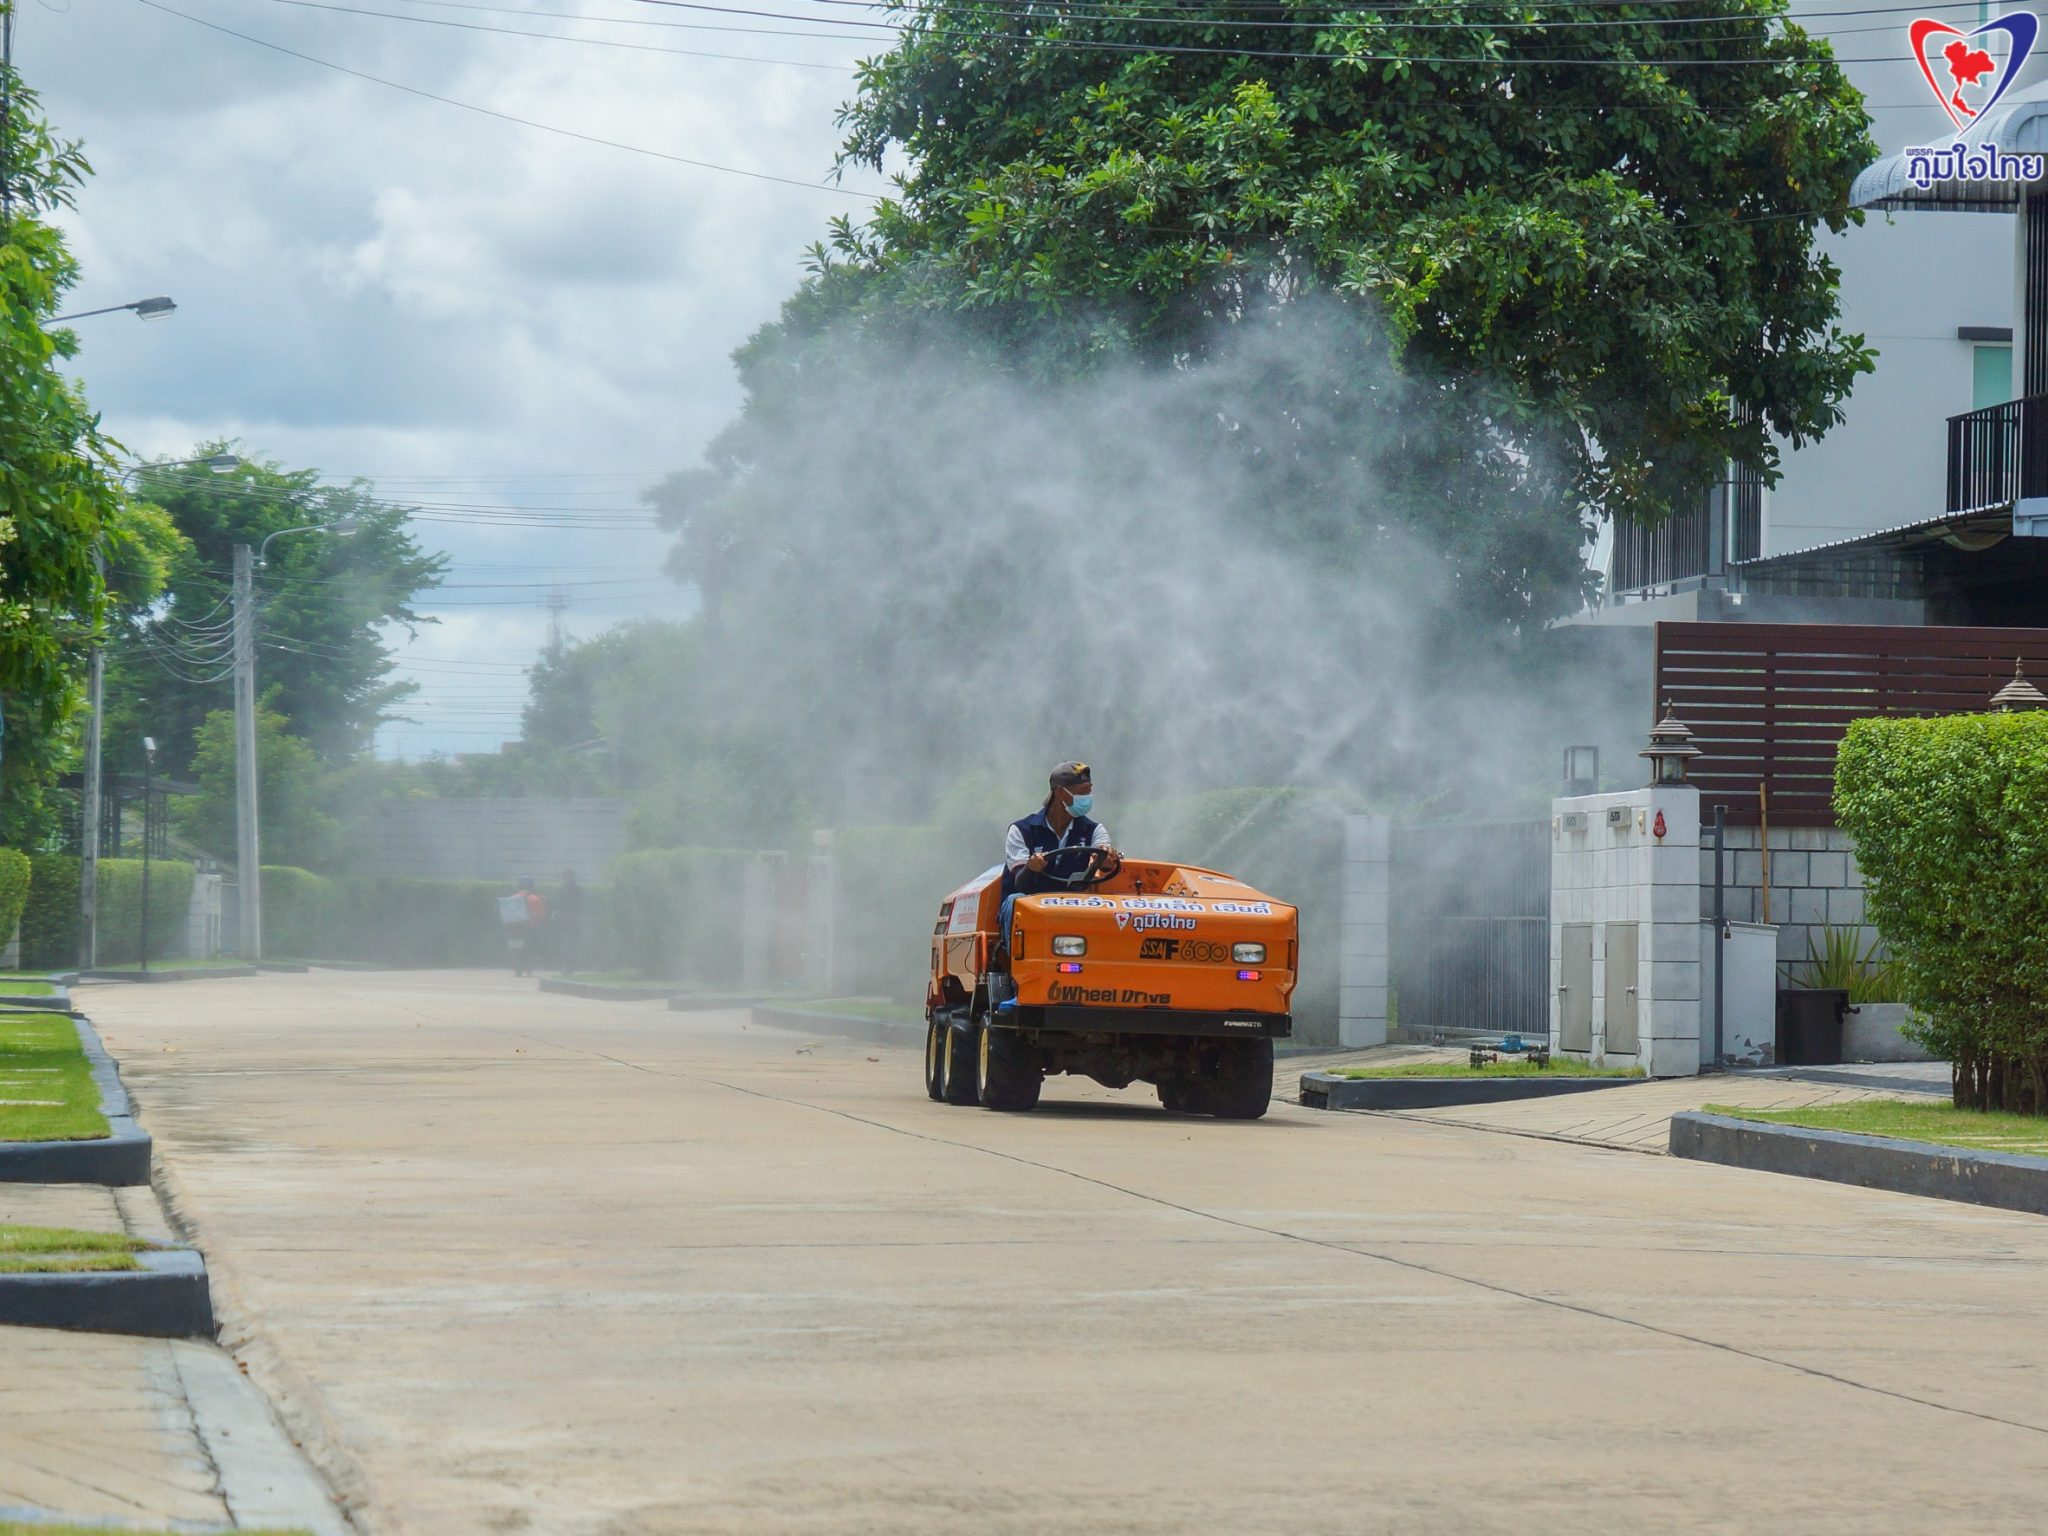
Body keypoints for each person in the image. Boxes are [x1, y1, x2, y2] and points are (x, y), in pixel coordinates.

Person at [997, 761, 1118, 966]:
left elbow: (1104, 854)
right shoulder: (1022, 830)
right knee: (1015, 901)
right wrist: (1031, 868)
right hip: (1032, 903)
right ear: (1062, 794)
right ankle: (1017, 969)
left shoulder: (1093, 830)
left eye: (1089, 792)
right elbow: (1021, 882)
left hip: (1073, 903)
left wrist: (1107, 858)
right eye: (1082, 792)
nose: (1087, 799)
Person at [500, 875, 546, 978]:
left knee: (513, 948)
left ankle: (515, 965)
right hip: (529, 929)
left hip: (514, 929)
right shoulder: (535, 898)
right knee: (533, 947)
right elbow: (541, 914)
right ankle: (531, 965)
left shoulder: (512, 898)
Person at [551, 869, 585, 975]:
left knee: (567, 944)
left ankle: (567, 966)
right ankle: (567, 966)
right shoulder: (576, 889)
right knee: (568, 944)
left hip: (569, 921)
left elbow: (556, 905)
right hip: (568, 921)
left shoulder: (564, 890)